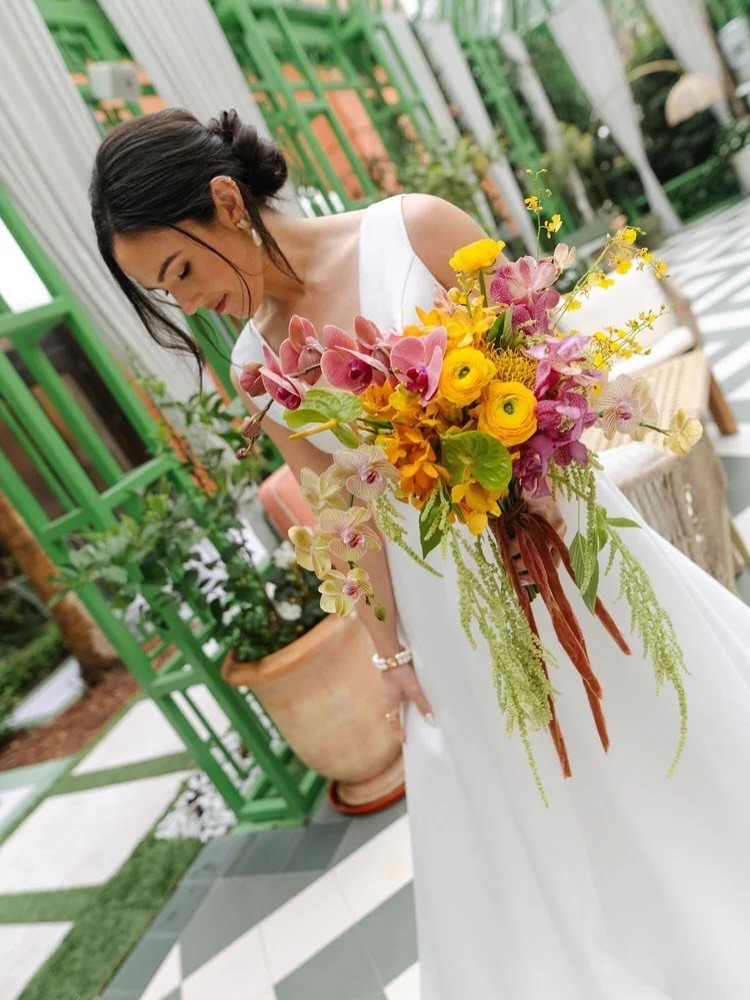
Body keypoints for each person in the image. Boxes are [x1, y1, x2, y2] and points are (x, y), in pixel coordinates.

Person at [91, 108, 750, 999]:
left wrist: (537, 506)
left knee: (654, 723)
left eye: (179, 269)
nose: (189, 301)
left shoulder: (415, 231)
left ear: (224, 202)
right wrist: (390, 651)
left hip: (560, 539)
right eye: (164, 295)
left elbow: (558, 376)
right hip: (449, 609)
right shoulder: (260, 366)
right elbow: (345, 514)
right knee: (543, 795)